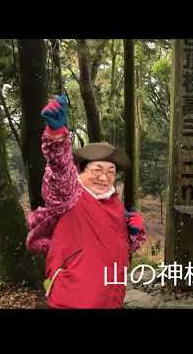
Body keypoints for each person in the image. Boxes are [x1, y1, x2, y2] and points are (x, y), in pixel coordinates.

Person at [26, 94, 146, 309]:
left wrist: (133, 235)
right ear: (80, 172)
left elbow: (111, 245)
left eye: (111, 172)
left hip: (110, 298)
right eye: (97, 169)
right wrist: (56, 135)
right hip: (72, 299)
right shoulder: (70, 195)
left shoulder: (113, 203)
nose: (104, 177)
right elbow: (60, 171)